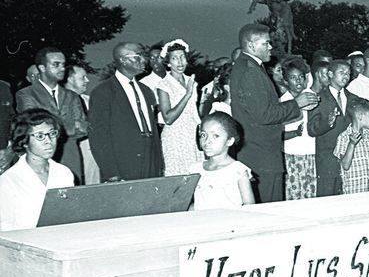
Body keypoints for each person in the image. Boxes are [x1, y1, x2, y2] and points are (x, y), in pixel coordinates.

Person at [230, 23, 317, 202]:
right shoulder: (250, 71)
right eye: (266, 43)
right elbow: (263, 115)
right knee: (269, 207)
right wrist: (297, 104)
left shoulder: (250, 66)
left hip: (258, 151)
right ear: (251, 45)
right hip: (262, 154)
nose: (271, 47)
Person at [89, 42, 164, 181]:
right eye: (138, 56)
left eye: (143, 56)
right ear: (123, 60)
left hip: (150, 160)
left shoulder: (146, 91)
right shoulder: (103, 92)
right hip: (123, 161)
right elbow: (99, 137)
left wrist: (158, 164)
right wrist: (111, 172)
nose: (144, 60)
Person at [16, 47, 87, 181]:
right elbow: (35, 125)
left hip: (70, 156)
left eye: (63, 64)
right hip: (40, 157)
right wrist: (71, 125)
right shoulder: (25, 94)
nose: (62, 68)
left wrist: (52, 126)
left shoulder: (72, 95)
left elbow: (83, 127)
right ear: (42, 68)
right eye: (56, 64)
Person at [0, 109, 75, 231]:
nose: (49, 141)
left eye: (52, 134)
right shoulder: (9, 180)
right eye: (40, 136)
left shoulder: (64, 173)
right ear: (24, 142)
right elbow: (4, 227)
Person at [308, 59, 358, 197]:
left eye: (348, 73)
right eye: (341, 72)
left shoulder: (354, 99)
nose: (345, 76)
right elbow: (311, 130)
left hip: (350, 156)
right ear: (330, 74)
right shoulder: (318, 98)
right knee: (327, 198)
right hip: (327, 158)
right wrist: (327, 122)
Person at [156, 39, 201, 175]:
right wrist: (187, 94)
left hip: (193, 136)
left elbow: (194, 112)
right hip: (175, 138)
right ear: (168, 63)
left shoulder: (191, 81)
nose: (180, 62)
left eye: (182, 57)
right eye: (175, 58)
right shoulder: (163, 85)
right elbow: (168, 118)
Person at [193, 113, 255, 210]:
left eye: (215, 136)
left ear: (229, 141)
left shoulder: (238, 171)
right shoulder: (195, 169)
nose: (207, 141)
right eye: (203, 135)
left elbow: (250, 206)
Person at [279, 57, 317, 200]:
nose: (299, 81)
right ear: (286, 81)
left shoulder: (312, 98)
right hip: (292, 156)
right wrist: (295, 133)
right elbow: (277, 134)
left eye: (301, 77)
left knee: (312, 195)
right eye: (293, 78)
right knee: (295, 196)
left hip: (312, 154)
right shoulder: (282, 103)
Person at [65, 64, 100, 185]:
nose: (87, 80)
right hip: (74, 151)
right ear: (70, 79)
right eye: (83, 77)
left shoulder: (89, 100)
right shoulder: (61, 101)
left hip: (95, 151)